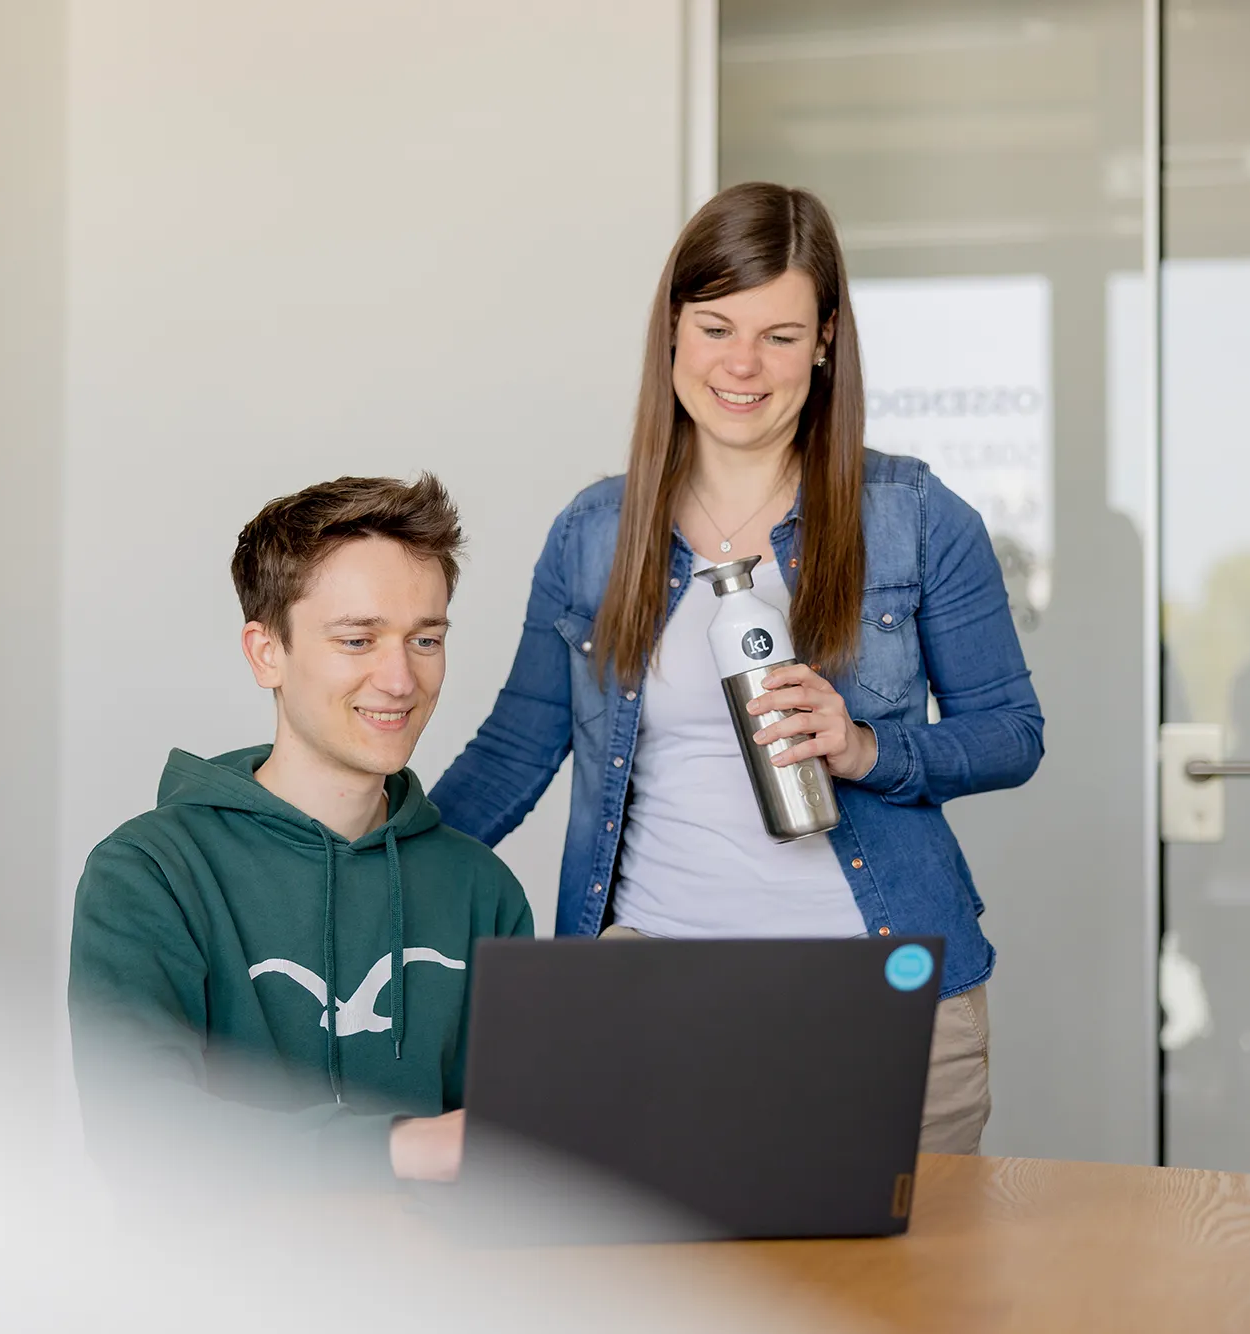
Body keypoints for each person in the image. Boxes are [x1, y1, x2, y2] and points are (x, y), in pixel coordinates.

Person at [429, 183, 1044, 1154]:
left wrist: (862, 745)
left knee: (900, 1301)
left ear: (826, 340)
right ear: (671, 330)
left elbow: (1010, 732)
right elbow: (513, 750)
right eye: (715, 327)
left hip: (881, 991)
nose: (742, 365)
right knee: (673, 1300)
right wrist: (357, 855)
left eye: (780, 334)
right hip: (651, 992)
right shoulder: (596, 533)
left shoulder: (917, 519)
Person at [68, 474, 532, 1186]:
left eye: (426, 639)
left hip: (440, 1290)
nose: (401, 680)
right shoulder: (149, 873)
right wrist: (404, 1146)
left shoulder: (481, 889)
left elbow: (513, 1159)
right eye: (357, 639)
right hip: (223, 1293)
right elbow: (139, 1134)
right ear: (266, 653)